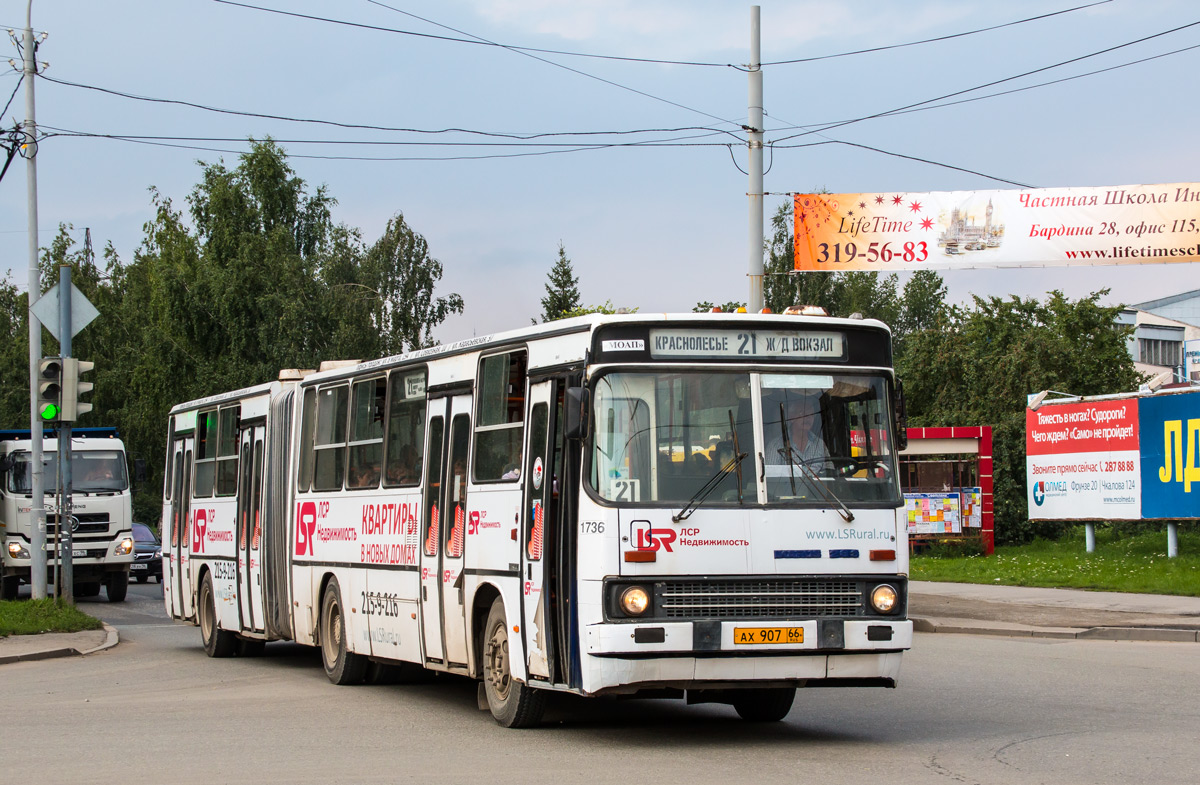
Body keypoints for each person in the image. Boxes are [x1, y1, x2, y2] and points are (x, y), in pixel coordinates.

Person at [763, 393, 827, 467]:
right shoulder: (776, 446)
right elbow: (771, 476)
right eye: (802, 413)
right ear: (791, 417)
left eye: (811, 414)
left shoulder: (820, 444)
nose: (808, 418)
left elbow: (831, 472)